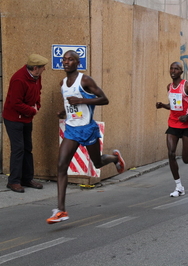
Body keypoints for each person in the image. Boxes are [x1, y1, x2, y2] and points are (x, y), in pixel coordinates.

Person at [46, 50, 126, 224]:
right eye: (64, 59)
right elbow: (71, 105)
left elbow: (104, 99)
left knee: (97, 162)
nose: (66, 62)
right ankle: (61, 210)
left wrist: (82, 101)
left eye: (70, 60)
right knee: (61, 165)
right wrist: (64, 112)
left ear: (77, 62)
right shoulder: (63, 83)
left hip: (88, 129)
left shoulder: (85, 80)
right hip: (72, 129)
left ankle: (114, 158)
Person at [156, 62, 188, 197]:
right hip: (173, 124)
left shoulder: (187, 86)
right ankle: (179, 186)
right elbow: (174, 105)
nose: (173, 70)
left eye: (176, 69)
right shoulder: (169, 87)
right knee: (171, 153)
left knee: (186, 159)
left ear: (181, 72)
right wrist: (162, 105)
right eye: (171, 68)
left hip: (187, 125)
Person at [3, 54, 49, 193]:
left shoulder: (36, 77)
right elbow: (15, 102)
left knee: (27, 148)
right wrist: (32, 110)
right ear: (35, 68)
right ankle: (14, 181)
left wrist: (37, 106)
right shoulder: (19, 79)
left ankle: (27, 178)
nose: (44, 69)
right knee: (18, 149)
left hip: (27, 117)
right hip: (14, 119)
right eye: (42, 67)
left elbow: (37, 92)